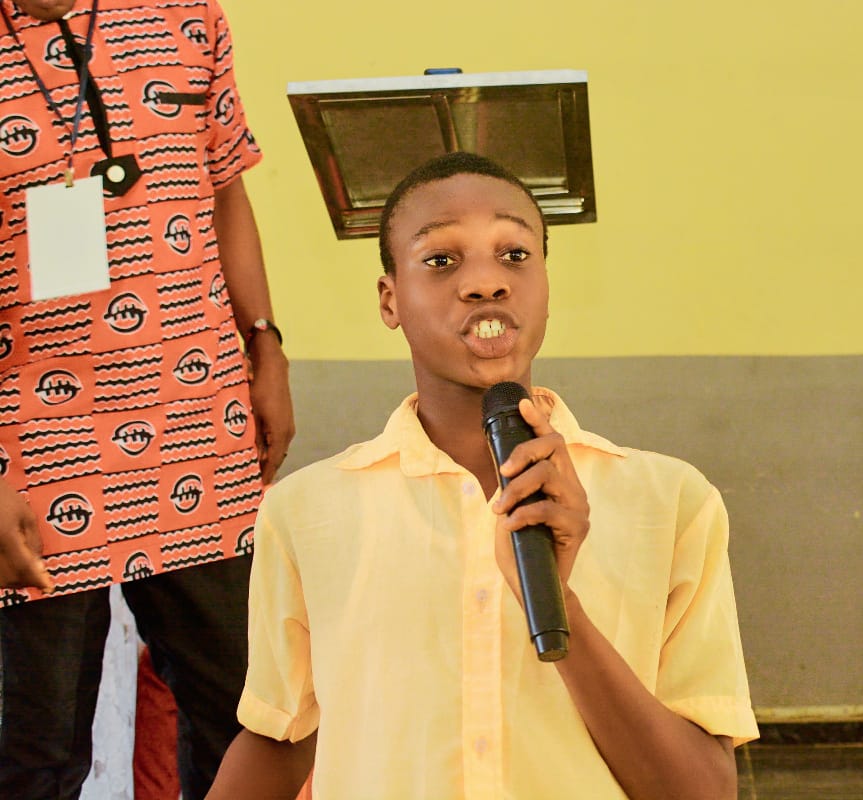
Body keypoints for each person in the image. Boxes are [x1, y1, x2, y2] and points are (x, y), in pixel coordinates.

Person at [207, 151, 757, 799]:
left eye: (515, 255)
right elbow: (279, 739)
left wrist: (557, 604)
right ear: (390, 300)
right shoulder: (307, 512)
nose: (485, 283)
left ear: (547, 283)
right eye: (442, 260)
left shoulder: (671, 505)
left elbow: (700, 791)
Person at [0, 1, 294, 798]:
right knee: (34, 756)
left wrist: (264, 343)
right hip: (31, 446)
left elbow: (226, 187)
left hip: (197, 419)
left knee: (249, 724)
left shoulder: (185, 14)